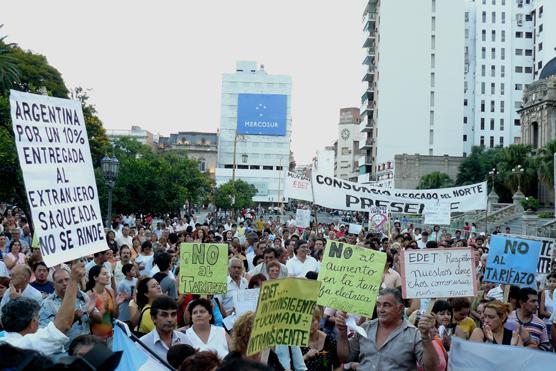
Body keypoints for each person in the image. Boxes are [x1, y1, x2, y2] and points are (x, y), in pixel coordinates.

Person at [336, 288, 439, 370]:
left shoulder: (413, 334)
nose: (381, 310)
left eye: (386, 305)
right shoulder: (365, 328)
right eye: (378, 305)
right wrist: (342, 332)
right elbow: (345, 358)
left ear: (400, 308)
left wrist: (426, 337)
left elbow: (431, 367)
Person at [0, 261, 85, 355]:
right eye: (38, 317)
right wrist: (73, 281)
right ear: (33, 323)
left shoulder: (2, 337)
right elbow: (63, 325)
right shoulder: (29, 344)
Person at [39, 268, 96, 350]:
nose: (65, 283)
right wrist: (73, 318)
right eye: (60, 281)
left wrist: (90, 310)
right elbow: (47, 334)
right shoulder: (47, 304)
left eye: (67, 280)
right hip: (66, 351)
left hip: (88, 347)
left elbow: (98, 319)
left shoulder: (81, 295)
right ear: (54, 285)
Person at [140, 296, 192, 360]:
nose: (170, 319)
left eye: (173, 314)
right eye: (164, 315)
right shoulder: (142, 345)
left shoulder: (185, 340)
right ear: (153, 318)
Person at [85, 265, 126, 340]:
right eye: (104, 274)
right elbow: (88, 320)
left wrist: (117, 304)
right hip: (96, 339)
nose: (108, 276)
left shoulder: (110, 291)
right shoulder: (89, 295)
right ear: (95, 277)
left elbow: (114, 316)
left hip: (111, 336)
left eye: (108, 273)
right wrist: (104, 309)